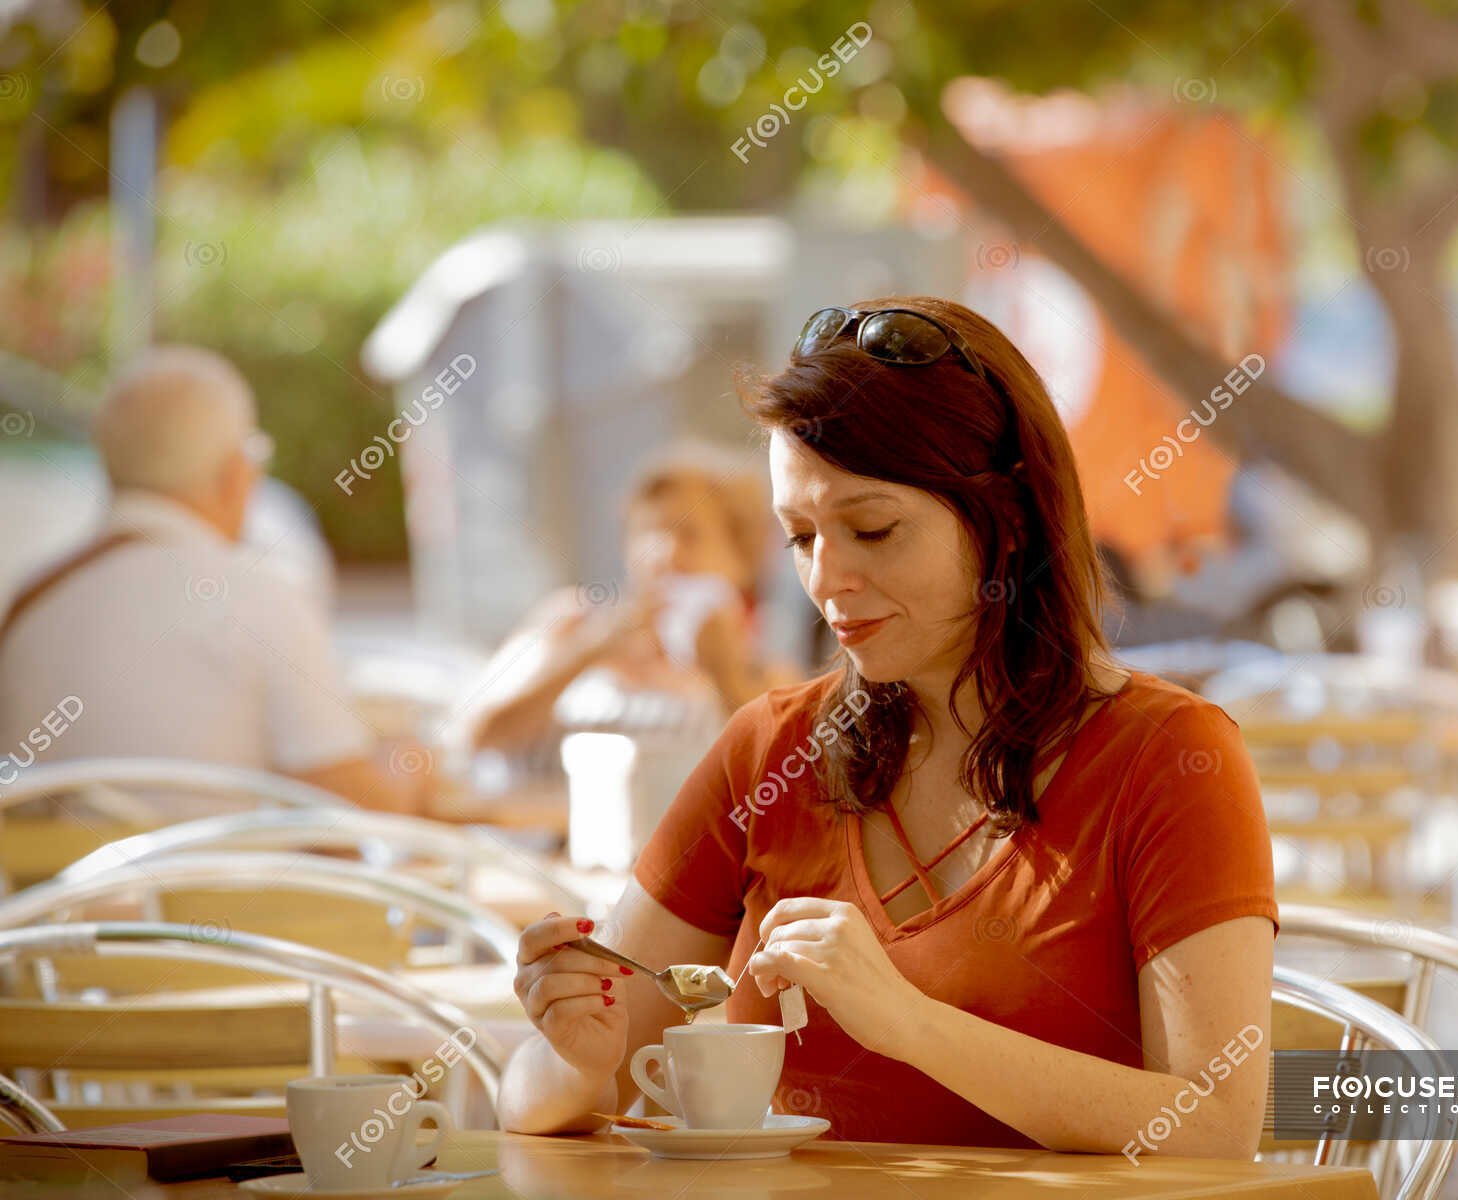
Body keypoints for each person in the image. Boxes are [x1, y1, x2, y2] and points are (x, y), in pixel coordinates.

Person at [497, 298, 1276, 1157]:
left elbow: (1215, 1128)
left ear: (1007, 516)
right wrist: (573, 1062)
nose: (828, 580)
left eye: (873, 529)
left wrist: (906, 1020)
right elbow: (541, 1100)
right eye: (799, 538)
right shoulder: (773, 750)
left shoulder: (1169, 755)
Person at [0, 345, 429, 814]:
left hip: (48, 887)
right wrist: (413, 765)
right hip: (213, 886)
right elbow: (350, 817)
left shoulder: (30, 599)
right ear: (234, 474)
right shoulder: (262, 595)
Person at [457, 443, 800, 754]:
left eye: (689, 535)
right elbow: (475, 736)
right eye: (649, 530)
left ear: (740, 562)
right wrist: (592, 649)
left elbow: (782, 775)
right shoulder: (571, 621)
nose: (664, 553)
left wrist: (725, 672)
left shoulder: (766, 670)